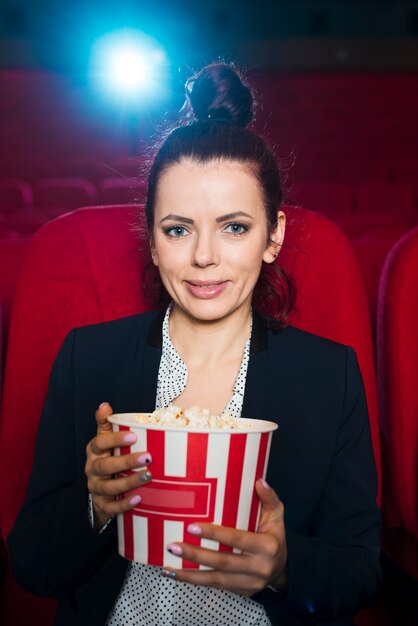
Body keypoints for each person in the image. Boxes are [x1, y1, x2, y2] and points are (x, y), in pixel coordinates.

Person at [8, 63, 381, 626]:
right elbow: (34, 566)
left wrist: (283, 566)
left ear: (273, 236)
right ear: (153, 242)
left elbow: (360, 572)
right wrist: (95, 505)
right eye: (178, 229)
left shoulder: (330, 376)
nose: (204, 256)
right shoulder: (88, 358)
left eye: (234, 227)